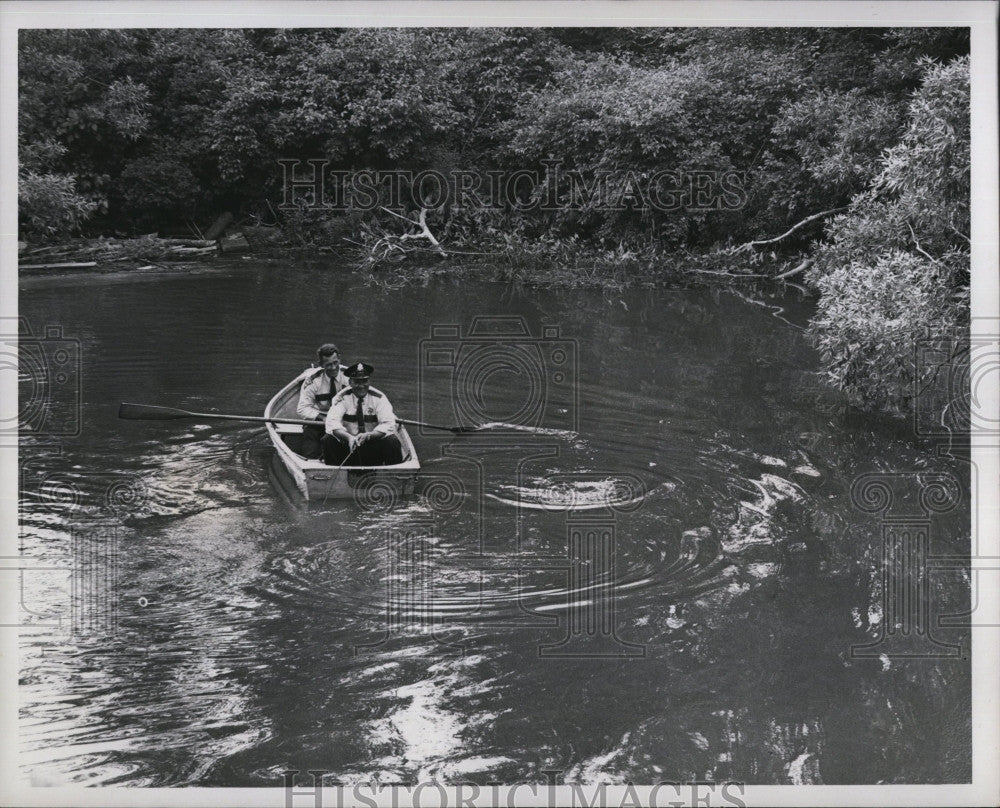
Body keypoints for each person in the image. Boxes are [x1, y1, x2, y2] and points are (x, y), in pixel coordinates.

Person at [321, 362, 404, 466]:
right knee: (327, 439)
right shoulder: (341, 398)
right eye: (357, 382)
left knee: (392, 441)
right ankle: (331, 476)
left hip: (372, 447)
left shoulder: (380, 398)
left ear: (369, 381)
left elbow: (388, 425)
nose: (361, 386)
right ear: (350, 382)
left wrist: (369, 436)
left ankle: (395, 476)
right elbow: (332, 423)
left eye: (364, 381)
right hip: (349, 447)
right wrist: (349, 438)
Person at [297, 343, 349, 459]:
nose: (334, 367)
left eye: (335, 363)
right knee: (310, 435)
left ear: (339, 358)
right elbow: (302, 409)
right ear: (321, 364)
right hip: (319, 422)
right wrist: (323, 418)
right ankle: (310, 463)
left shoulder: (349, 378)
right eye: (328, 365)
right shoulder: (313, 380)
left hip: (343, 420)